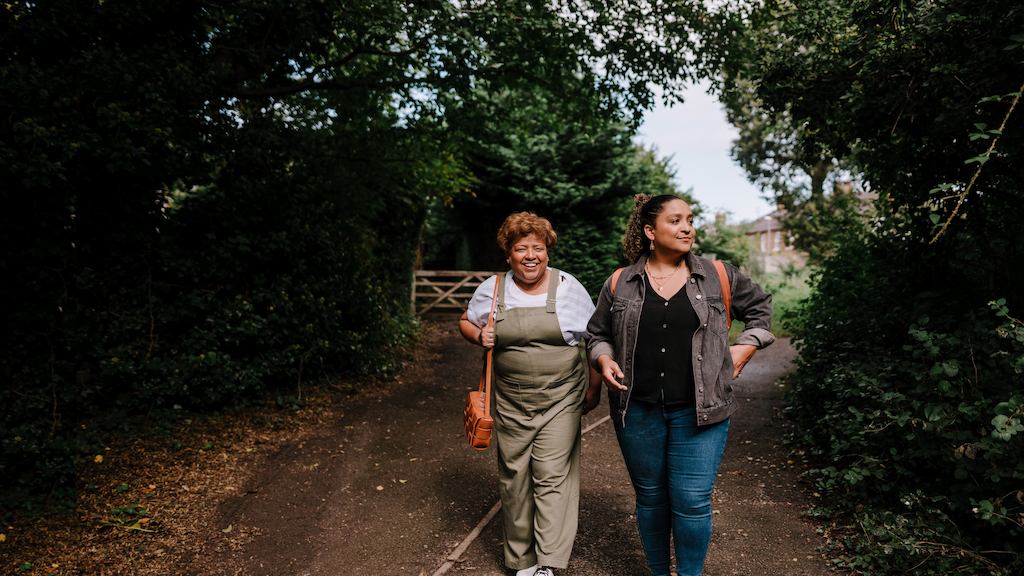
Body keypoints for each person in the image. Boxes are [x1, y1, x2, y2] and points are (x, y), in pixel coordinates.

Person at [586, 194, 774, 576]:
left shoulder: (718, 274)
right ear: (650, 231)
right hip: (636, 411)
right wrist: (604, 358)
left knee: (691, 501)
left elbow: (761, 310)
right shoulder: (621, 282)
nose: (687, 227)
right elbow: (597, 334)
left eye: (690, 219)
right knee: (652, 499)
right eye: (675, 221)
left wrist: (743, 348)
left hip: (701, 412)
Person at [459, 211, 601, 576]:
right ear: (509, 255)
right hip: (509, 400)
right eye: (521, 249)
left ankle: (549, 562)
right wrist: (479, 335)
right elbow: (465, 321)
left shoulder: (569, 287)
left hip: (561, 398)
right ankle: (522, 559)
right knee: (514, 476)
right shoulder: (492, 289)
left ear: (548, 253)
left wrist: (593, 385)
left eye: (538, 248)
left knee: (552, 474)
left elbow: (595, 338)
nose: (530, 256)